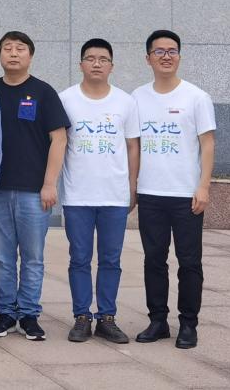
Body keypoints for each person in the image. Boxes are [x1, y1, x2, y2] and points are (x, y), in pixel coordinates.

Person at [132, 30, 215, 349]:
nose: (166, 56)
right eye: (159, 51)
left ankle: (188, 324)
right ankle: (158, 321)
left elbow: (207, 144)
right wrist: (133, 187)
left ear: (179, 56)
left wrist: (203, 186)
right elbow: (134, 146)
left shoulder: (196, 97)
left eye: (172, 51)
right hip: (151, 193)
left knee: (189, 261)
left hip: (185, 195)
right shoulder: (137, 97)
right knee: (154, 260)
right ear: (148, 58)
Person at [0, 32, 69, 341]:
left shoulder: (43, 92)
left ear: (30, 55)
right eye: (7, 48)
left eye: (20, 49)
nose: (13, 53)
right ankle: (6, 312)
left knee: (33, 257)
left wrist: (50, 184)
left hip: (35, 192)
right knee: (2, 258)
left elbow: (59, 138)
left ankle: (30, 314)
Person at [59, 38, 139, 344]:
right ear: (80, 64)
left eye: (103, 59)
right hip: (77, 194)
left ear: (111, 66)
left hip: (114, 195)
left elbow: (132, 146)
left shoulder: (125, 102)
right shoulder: (66, 99)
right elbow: (58, 143)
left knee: (110, 259)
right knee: (79, 258)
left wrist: (132, 185)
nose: (96, 63)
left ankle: (107, 318)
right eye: (90, 58)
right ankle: (82, 316)